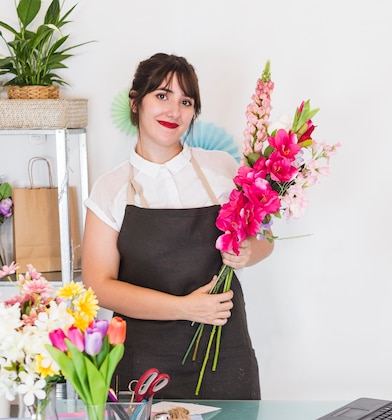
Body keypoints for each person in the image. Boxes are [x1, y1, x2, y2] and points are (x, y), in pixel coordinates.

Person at [82, 53, 273, 399]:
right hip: (143, 364)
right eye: (162, 96)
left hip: (225, 357)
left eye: (186, 101)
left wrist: (249, 251)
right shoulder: (110, 188)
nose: (174, 111)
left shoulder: (222, 169)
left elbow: (265, 237)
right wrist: (184, 307)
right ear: (135, 101)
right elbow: (99, 286)